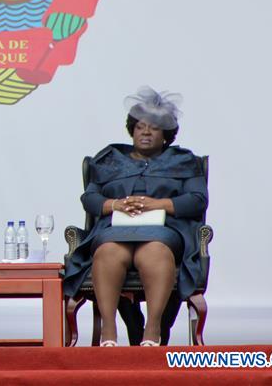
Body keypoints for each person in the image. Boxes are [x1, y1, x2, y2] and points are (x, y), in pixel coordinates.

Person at [63, 87, 208, 346]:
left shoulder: (184, 161)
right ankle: (108, 330)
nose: (146, 132)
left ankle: (152, 330)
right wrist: (115, 204)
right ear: (132, 130)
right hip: (114, 230)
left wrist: (158, 204)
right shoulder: (109, 159)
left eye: (153, 128)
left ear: (166, 134)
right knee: (107, 253)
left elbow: (197, 200)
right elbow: (90, 197)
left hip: (164, 232)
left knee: (153, 252)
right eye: (140, 127)